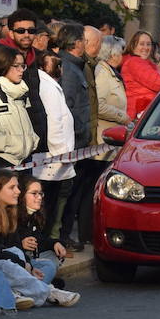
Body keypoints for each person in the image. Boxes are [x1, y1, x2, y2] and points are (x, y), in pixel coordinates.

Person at [0, 170, 79, 309]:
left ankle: (21, 291)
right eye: (12, 187)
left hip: (13, 261)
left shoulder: (10, 212)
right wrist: (23, 261)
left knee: (47, 265)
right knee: (12, 258)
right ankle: (48, 291)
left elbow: (27, 243)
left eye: (40, 193)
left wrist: (29, 264)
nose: (18, 191)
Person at [57, 24, 95, 249]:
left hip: (80, 140)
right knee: (67, 193)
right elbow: (68, 106)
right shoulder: (70, 70)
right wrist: (81, 130)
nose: (86, 44)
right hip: (74, 141)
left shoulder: (77, 67)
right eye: (83, 40)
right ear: (76, 43)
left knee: (74, 191)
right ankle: (62, 235)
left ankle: (65, 234)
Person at [33, 50, 77, 235]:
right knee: (48, 204)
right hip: (53, 158)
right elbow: (54, 121)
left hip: (57, 156)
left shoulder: (50, 84)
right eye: (55, 64)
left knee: (53, 203)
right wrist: (62, 152)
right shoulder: (48, 86)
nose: (60, 69)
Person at [0, 45, 39, 168]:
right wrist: (17, 145)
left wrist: (32, 141)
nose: (21, 70)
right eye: (16, 66)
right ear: (2, 66)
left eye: (23, 65)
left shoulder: (20, 92)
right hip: (3, 163)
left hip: (25, 160)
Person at [122, 31, 160, 120]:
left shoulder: (143, 62)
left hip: (145, 111)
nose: (146, 48)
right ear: (133, 45)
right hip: (140, 114)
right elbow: (158, 83)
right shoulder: (134, 62)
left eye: (148, 44)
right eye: (142, 44)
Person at [94, 35, 128, 130]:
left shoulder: (110, 71)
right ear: (114, 55)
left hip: (112, 131)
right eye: (121, 53)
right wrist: (123, 117)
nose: (123, 57)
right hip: (105, 135)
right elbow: (99, 105)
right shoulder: (102, 72)